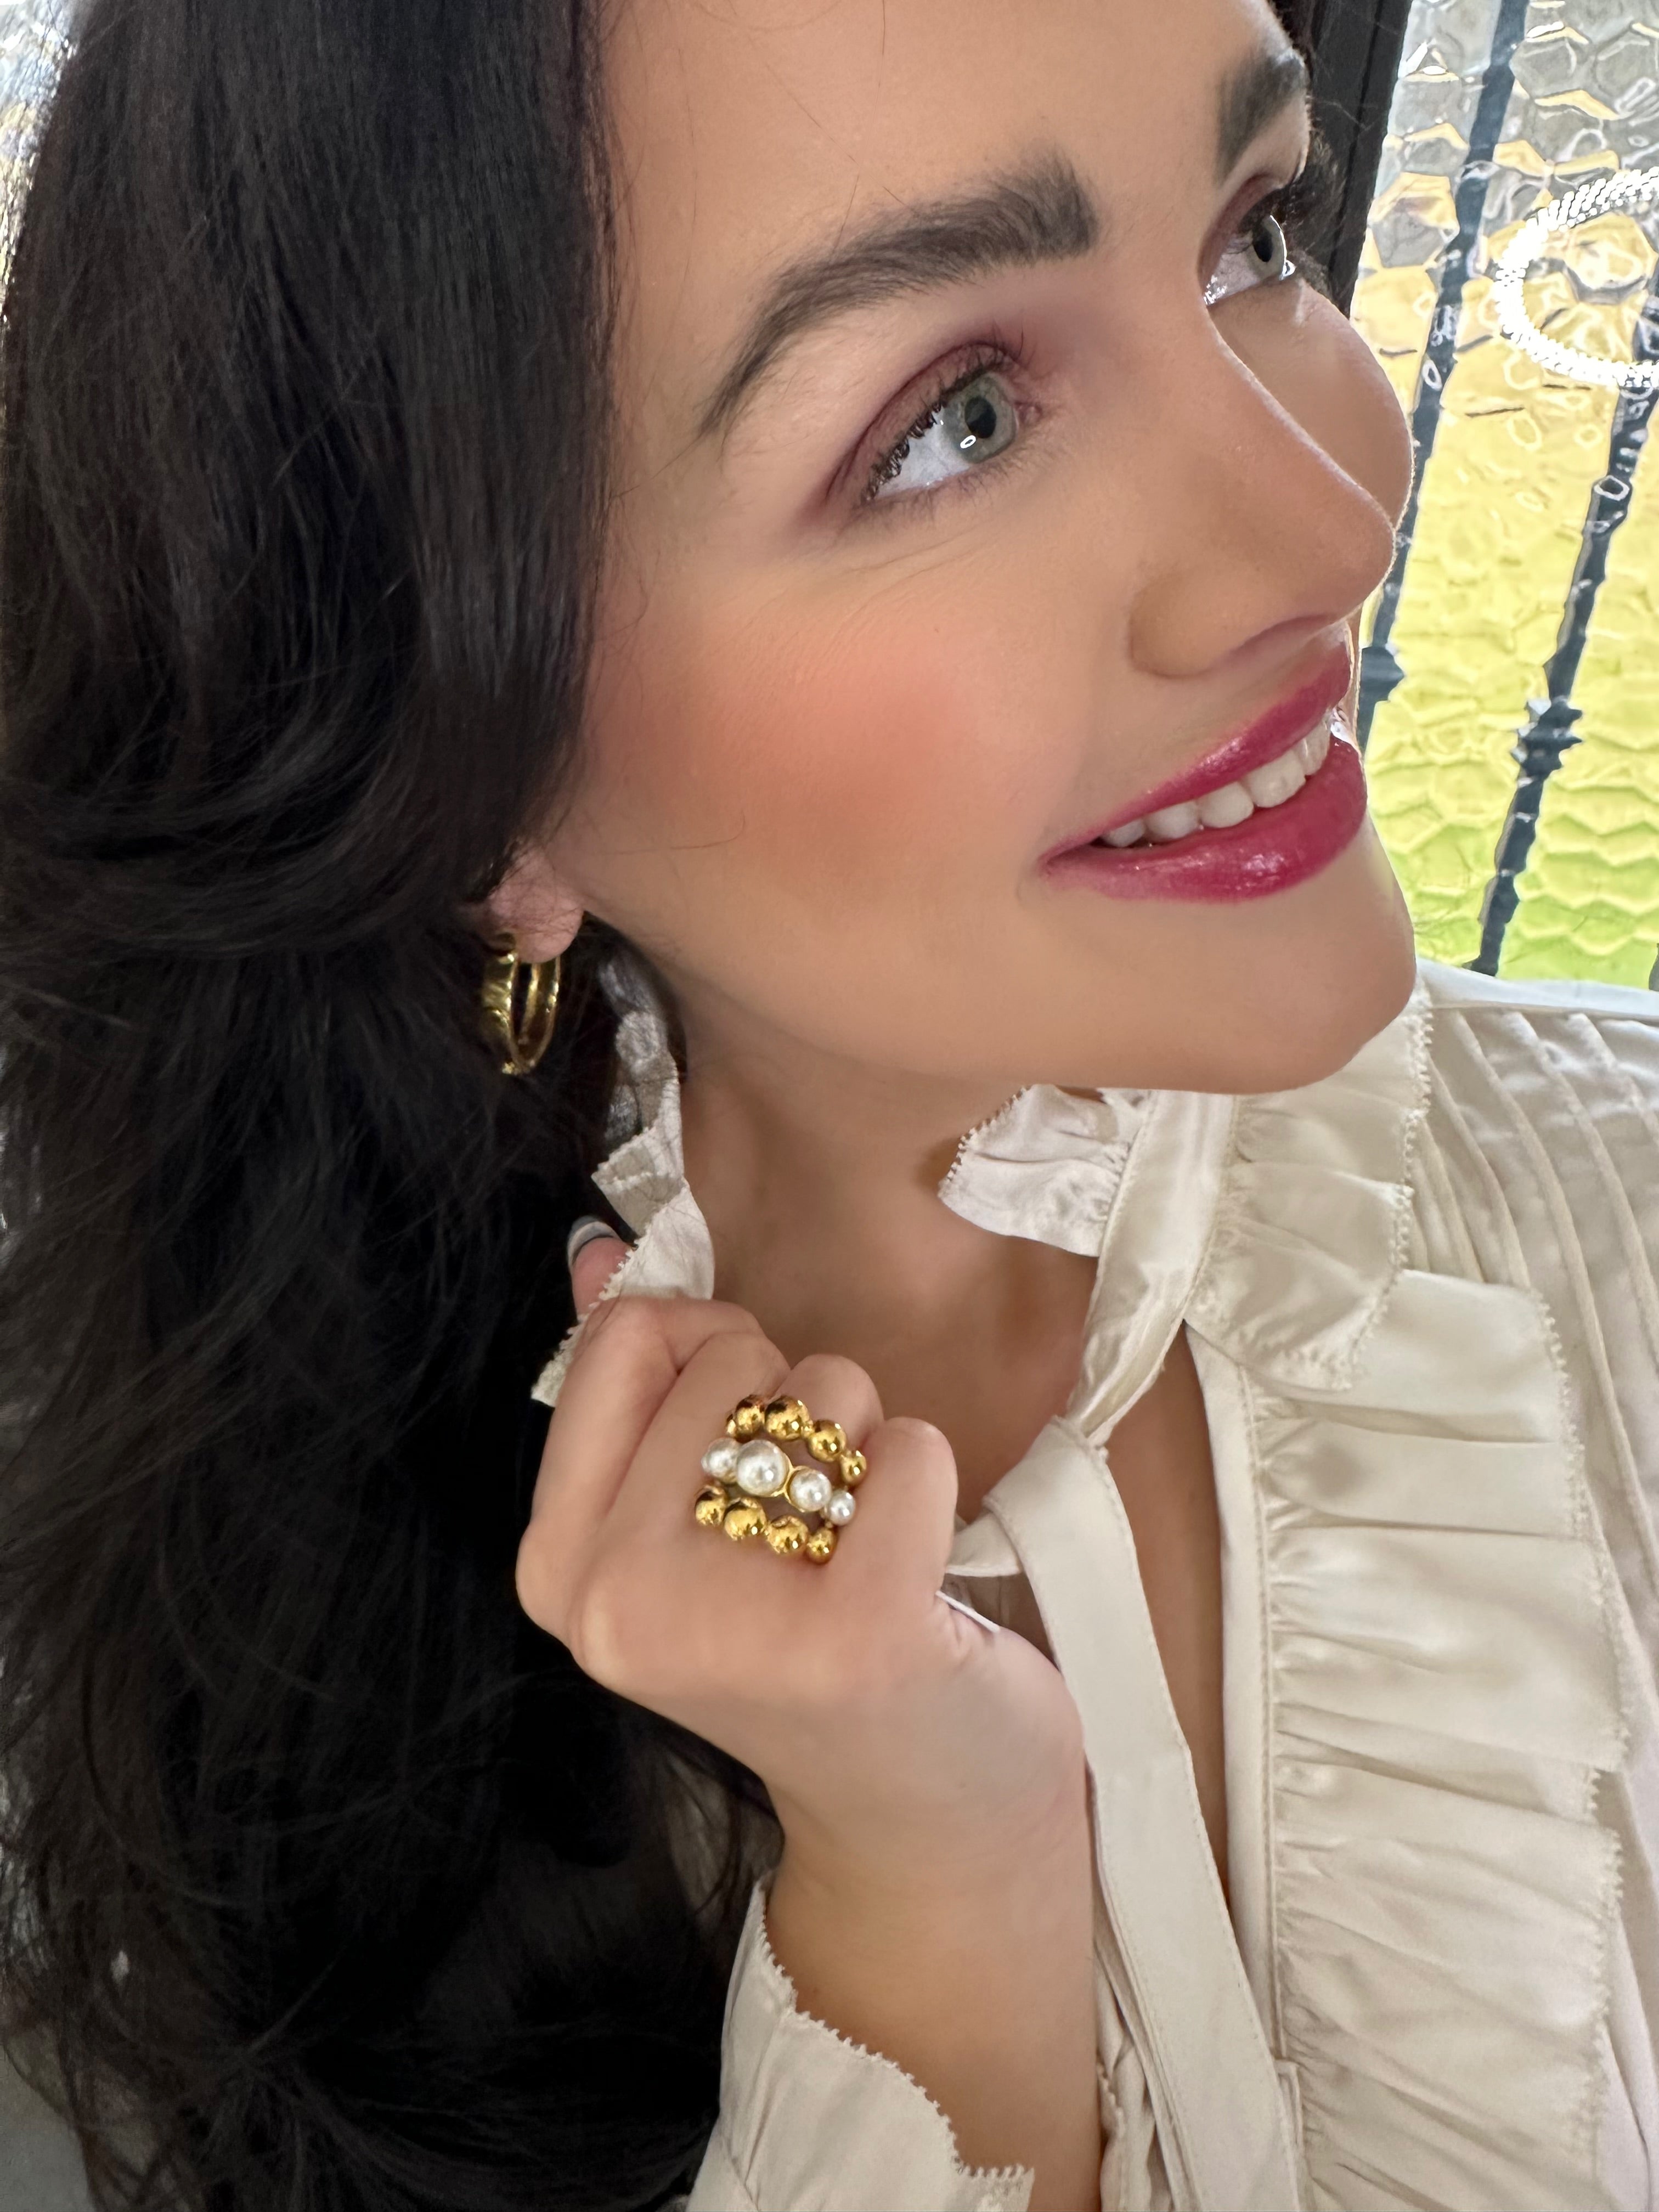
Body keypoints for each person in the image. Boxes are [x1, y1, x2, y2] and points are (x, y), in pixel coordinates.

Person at [1, 0, 1655, 2206]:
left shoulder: (1619, 1231)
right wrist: (934, 1892)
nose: (1334, 518)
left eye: (1252, 236)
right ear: (468, 779)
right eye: (955, 421)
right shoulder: (256, 1648)